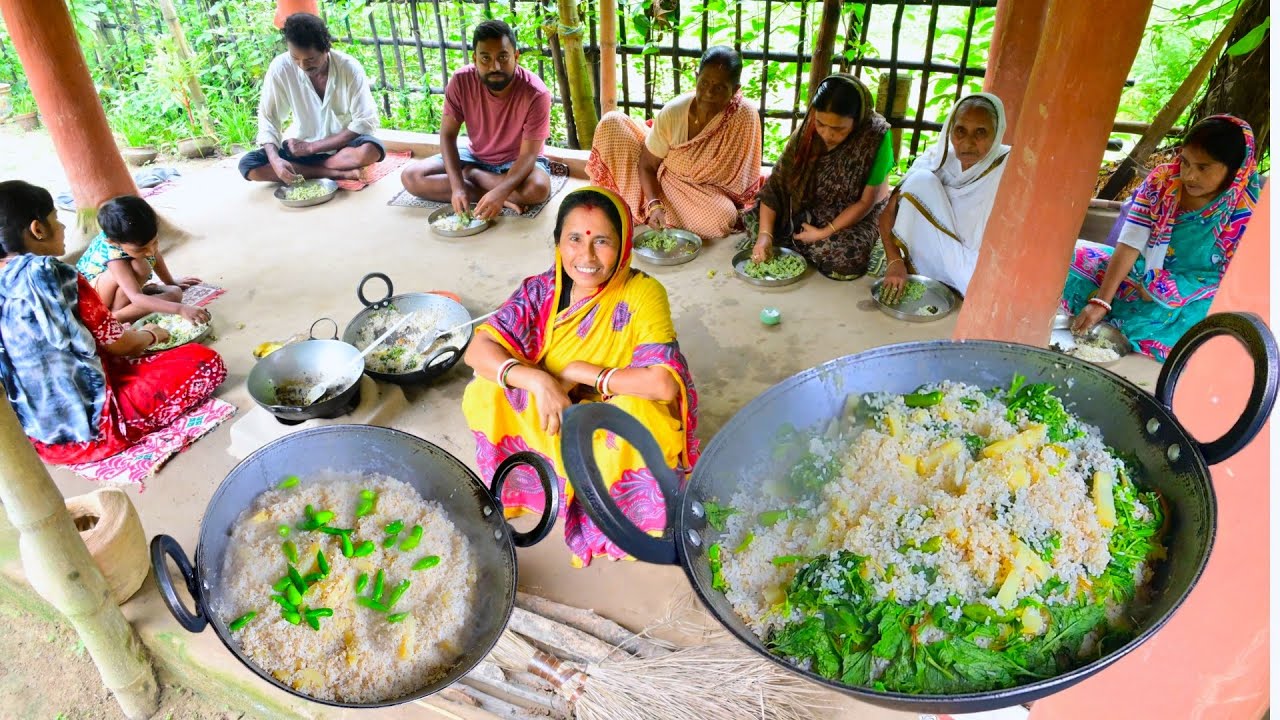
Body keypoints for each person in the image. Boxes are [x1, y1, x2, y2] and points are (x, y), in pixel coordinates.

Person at [460, 187, 699, 567]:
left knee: (640, 415)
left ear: (622, 246)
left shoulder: (644, 293)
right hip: (552, 408)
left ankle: (625, 514)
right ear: (557, 243)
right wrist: (540, 382)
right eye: (574, 239)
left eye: (601, 241)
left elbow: (662, 383)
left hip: (609, 408)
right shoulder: (542, 290)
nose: (585, 256)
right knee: (484, 391)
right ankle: (531, 488)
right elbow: (476, 349)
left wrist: (586, 374)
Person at [0, 181, 227, 465]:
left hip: (42, 439)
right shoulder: (55, 275)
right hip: (94, 431)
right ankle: (118, 431)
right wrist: (150, 335)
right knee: (205, 362)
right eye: (56, 218)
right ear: (38, 229)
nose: (63, 227)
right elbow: (120, 345)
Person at [1061, 115, 1260, 362]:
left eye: (1203, 167)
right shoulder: (1162, 182)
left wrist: (1169, 288)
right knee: (1070, 258)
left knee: (1211, 326)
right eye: (1185, 162)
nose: (1188, 176)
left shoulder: (1248, 210)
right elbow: (1131, 241)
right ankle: (1117, 309)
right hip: (1142, 271)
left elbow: (1234, 280)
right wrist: (1102, 300)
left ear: (1235, 169)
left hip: (1197, 291)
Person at [586, 46, 763, 239]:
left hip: (702, 193)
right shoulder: (674, 112)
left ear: (735, 90)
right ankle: (649, 207)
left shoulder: (743, 115)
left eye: (719, 87)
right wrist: (655, 204)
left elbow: (740, 180)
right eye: (704, 83)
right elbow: (646, 165)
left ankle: (645, 206)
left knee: (722, 219)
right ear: (696, 77)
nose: (709, 93)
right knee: (612, 122)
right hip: (660, 176)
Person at [400, 20, 552, 220]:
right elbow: (447, 135)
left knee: (538, 189)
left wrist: (498, 188)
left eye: (503, 57)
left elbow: (528, 156)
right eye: (485, 58)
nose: (494, 66)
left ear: (516, 56)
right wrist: (457, 189)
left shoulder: (536, 93)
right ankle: (491, 193)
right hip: (475, 155)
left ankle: (476, 177)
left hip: (517, 160)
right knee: (411, 177)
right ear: (475, 59)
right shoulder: (461, 81)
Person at [750, 74, 895, 279]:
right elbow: (776, 186)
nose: (826, 134)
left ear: (857, 121)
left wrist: (823, 233)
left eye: (838, 129)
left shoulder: (875, 136)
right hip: (810, 204)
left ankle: (805, 242)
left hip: (853, 212)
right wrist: (765, 236)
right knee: (757, 221)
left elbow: (866, 202)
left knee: (845, 256)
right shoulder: (808, 130)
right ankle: (798, 241)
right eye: (821, 124)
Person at [876, 93, 1009, 299]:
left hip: (978, 263)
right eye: (960, 131)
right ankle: (933, 274)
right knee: (920, 180)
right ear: (949, 129)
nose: (967, 143)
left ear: (997, 132)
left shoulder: (1010, 167)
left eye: (981, 132)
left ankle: (962, 282)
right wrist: (895, 261)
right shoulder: (936, 159)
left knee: (989, 294)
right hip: (934, 260)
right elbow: (887, 215)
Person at [239, 13, 384, 184]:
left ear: (326, 48)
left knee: (371, 150)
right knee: (249, 165)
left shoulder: (349, 68)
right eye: (295, 58)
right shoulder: (280, 68)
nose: (302, 65)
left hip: (340, 150)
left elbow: (364, 122)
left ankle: (315, 170)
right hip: (298, 150)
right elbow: (268, 118)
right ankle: (334, 173)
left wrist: (311, 148)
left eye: (310, 59)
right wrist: (275, 160)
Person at [76, 196, 211, 325]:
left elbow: (154, 255)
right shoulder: (113, 256)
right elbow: (135, 296)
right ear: (114, 243)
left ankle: (130, 306)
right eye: (141, 249)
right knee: (141, 266)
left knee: (175, 293)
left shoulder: (139, 237)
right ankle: (116, 316)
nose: (151, 251)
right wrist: (180, 309)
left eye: (155, 243)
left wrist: (170, 282)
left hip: (120, 290)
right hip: (93, 301)